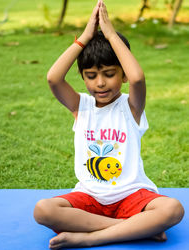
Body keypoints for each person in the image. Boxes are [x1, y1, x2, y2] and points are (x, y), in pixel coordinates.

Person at [34, 1, 184, 249]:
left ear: (122, 75)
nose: (100, 83)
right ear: (83, 77)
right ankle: (136, 227)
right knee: (43, 210)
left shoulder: (131, 107)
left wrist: (111, 34)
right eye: (91, 76)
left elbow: (138, 77)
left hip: (132, 196)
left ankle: (92, 237)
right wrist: (85, 36)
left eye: (109, 74)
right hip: (89, 198)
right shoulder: (80, 106)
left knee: (172, 209)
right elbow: (53, 77)